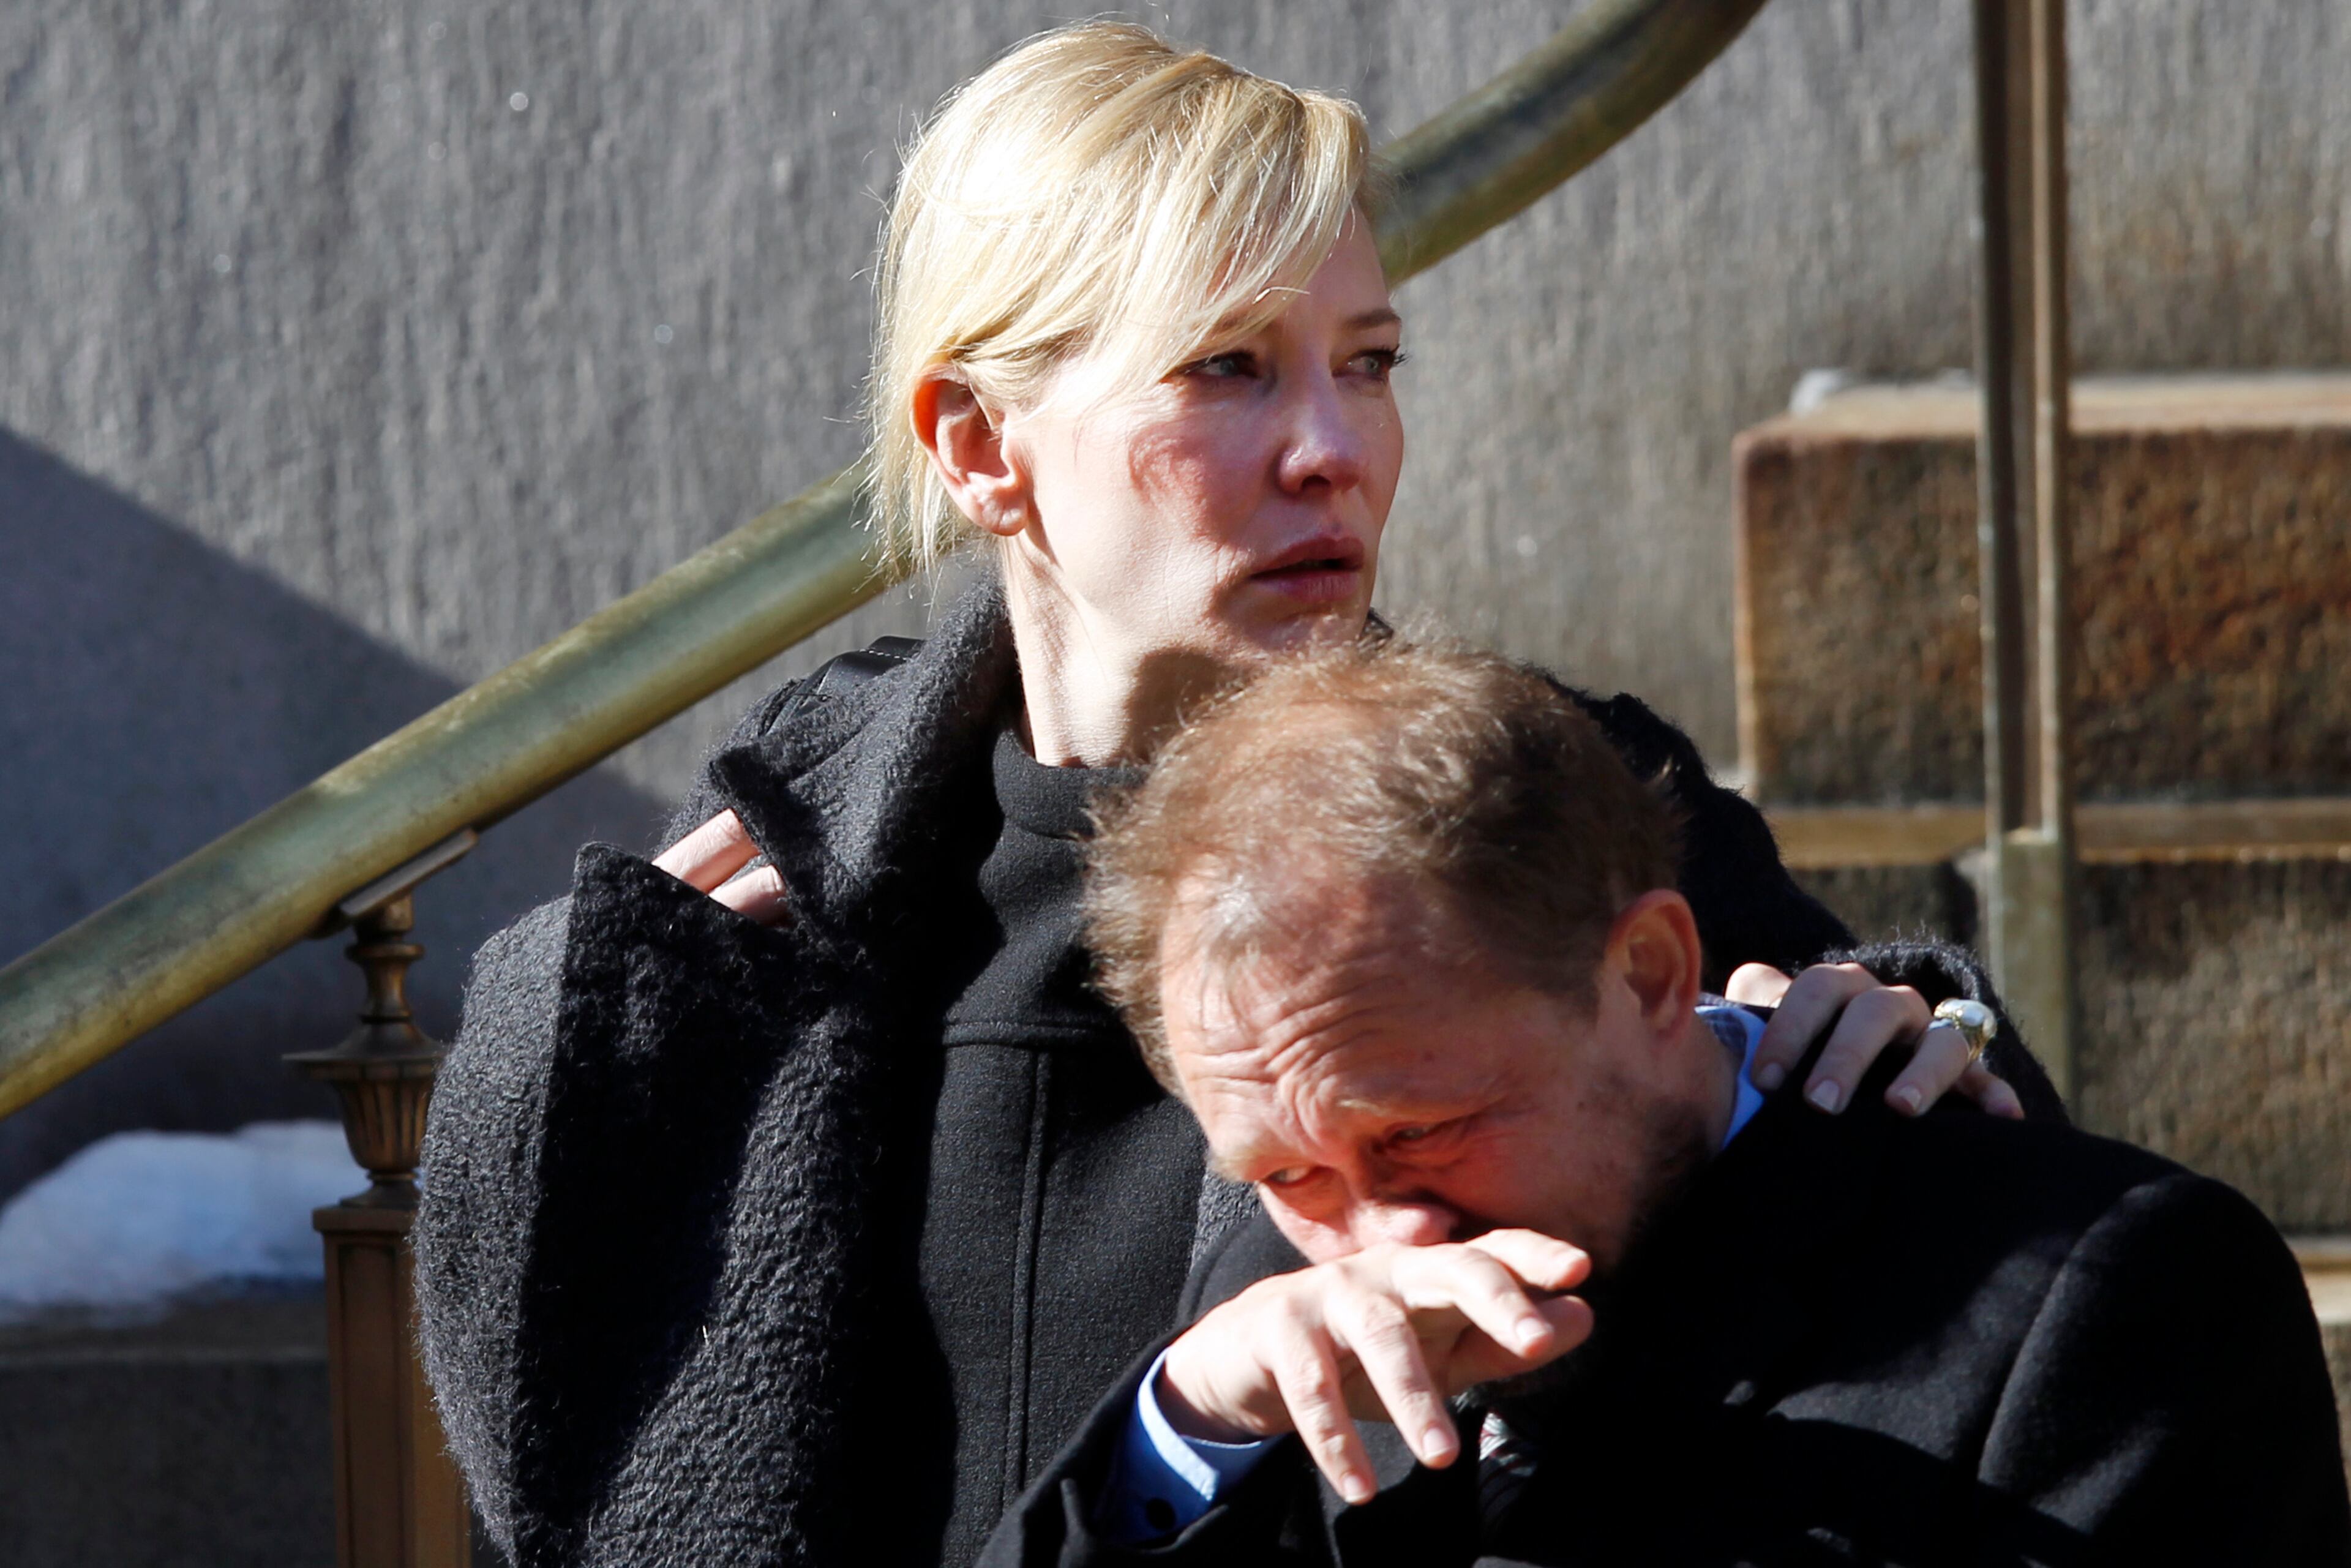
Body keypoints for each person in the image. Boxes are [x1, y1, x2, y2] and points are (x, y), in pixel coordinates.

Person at [413, 23, 2055, 1568]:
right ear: (981, 445)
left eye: (1370, 360)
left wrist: (1913, 1040)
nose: (1333, 445)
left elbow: (1963, 1283)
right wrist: (608, 1042)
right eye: (1228, 369)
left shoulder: (1556, 816)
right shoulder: (763, 937)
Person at [980, 636, 2349, 1567]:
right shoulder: (1275, 1296)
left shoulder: (2115, 1297)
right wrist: (1191, 1428)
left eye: (1423, 1131)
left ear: (1645, 973)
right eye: (1288, 1173)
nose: (1381, 1244)